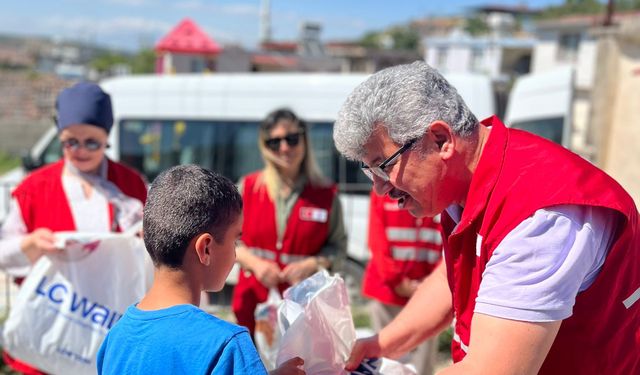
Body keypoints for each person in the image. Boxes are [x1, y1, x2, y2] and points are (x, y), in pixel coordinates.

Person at [333, 61, 639, 374]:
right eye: (370, 172)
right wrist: (383, 344)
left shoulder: (540, 218)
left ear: (440, 140)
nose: (381, 189)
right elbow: (449, 277)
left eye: (383, 166)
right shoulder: (464, 184)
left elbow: (493, 370)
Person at [97, 165, 304, 375]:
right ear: (205, 248)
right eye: (235, 241)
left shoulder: (116, 336)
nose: (235, 255)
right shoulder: (226, 346)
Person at [0, 82, 148, 374]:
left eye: (91, 142)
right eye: (70, 142)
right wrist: (30, 245)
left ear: (107, 138)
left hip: (107, 325)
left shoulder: (131, 185)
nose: (80, 151)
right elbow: (3, 254)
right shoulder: (34, 189)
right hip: (48, 329)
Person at [232, 108, 347, 336]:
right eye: (275, 142)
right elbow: (227, 242)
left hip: (304, 309)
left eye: (292, 139)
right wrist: (255, 264)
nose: (284, 148)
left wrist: (312, 264)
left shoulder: (326, 194)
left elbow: (338, 247)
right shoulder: (248, 188)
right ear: (265, 146)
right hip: (252, 306)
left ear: (304, 140)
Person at [364, 191, 442, 374]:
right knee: (385, 359)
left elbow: (449, 246)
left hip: (428, 295)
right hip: (388, 292)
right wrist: (397, 281)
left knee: (423, 362)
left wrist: (430, 285)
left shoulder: (439, 193)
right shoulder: (383, 192)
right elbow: (376, 241)